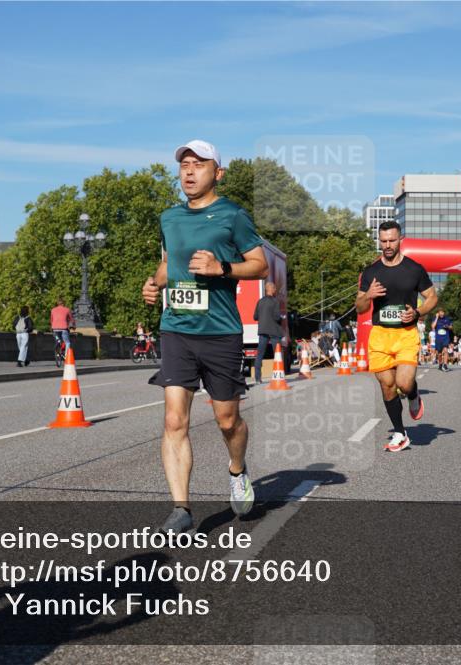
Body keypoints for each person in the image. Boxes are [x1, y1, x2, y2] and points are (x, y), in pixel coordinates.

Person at [142, 139, 268, 534]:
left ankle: (237, 469)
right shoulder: (169, 218)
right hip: (177, 329)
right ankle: (181, 509)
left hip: (220, 332)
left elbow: (260, 265)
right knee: (173, 419)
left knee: (227, 421)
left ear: (218, 173)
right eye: (185, 165)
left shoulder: (233, 215)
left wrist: (222, 268)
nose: (189, 171)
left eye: (199, 164)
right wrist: (154, 284)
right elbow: (169, 264)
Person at [356, 221, 437, 452]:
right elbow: (360, 307)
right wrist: (368, 295)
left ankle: (413, 393)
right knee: (387, 386)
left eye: (392, 240)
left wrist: (418, 312)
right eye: (383, 241)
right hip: (380, 335)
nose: (388, 245)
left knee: (403, 383)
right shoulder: (371, 272)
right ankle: (400, 433)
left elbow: (432, 297)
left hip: (405, 334)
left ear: (400, 239)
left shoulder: (414, 269)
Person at [253, 282, 284, 384]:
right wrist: (282, 318)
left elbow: (255, 317)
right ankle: (279, 375)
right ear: (272, 289)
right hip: (274, 330)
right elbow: (276, 317)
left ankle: (258, 378)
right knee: (277, 354)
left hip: (262, 330)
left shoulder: (260, 301)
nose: (275, 290)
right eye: (274, 288)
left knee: (260, 354)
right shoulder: (275, 301)